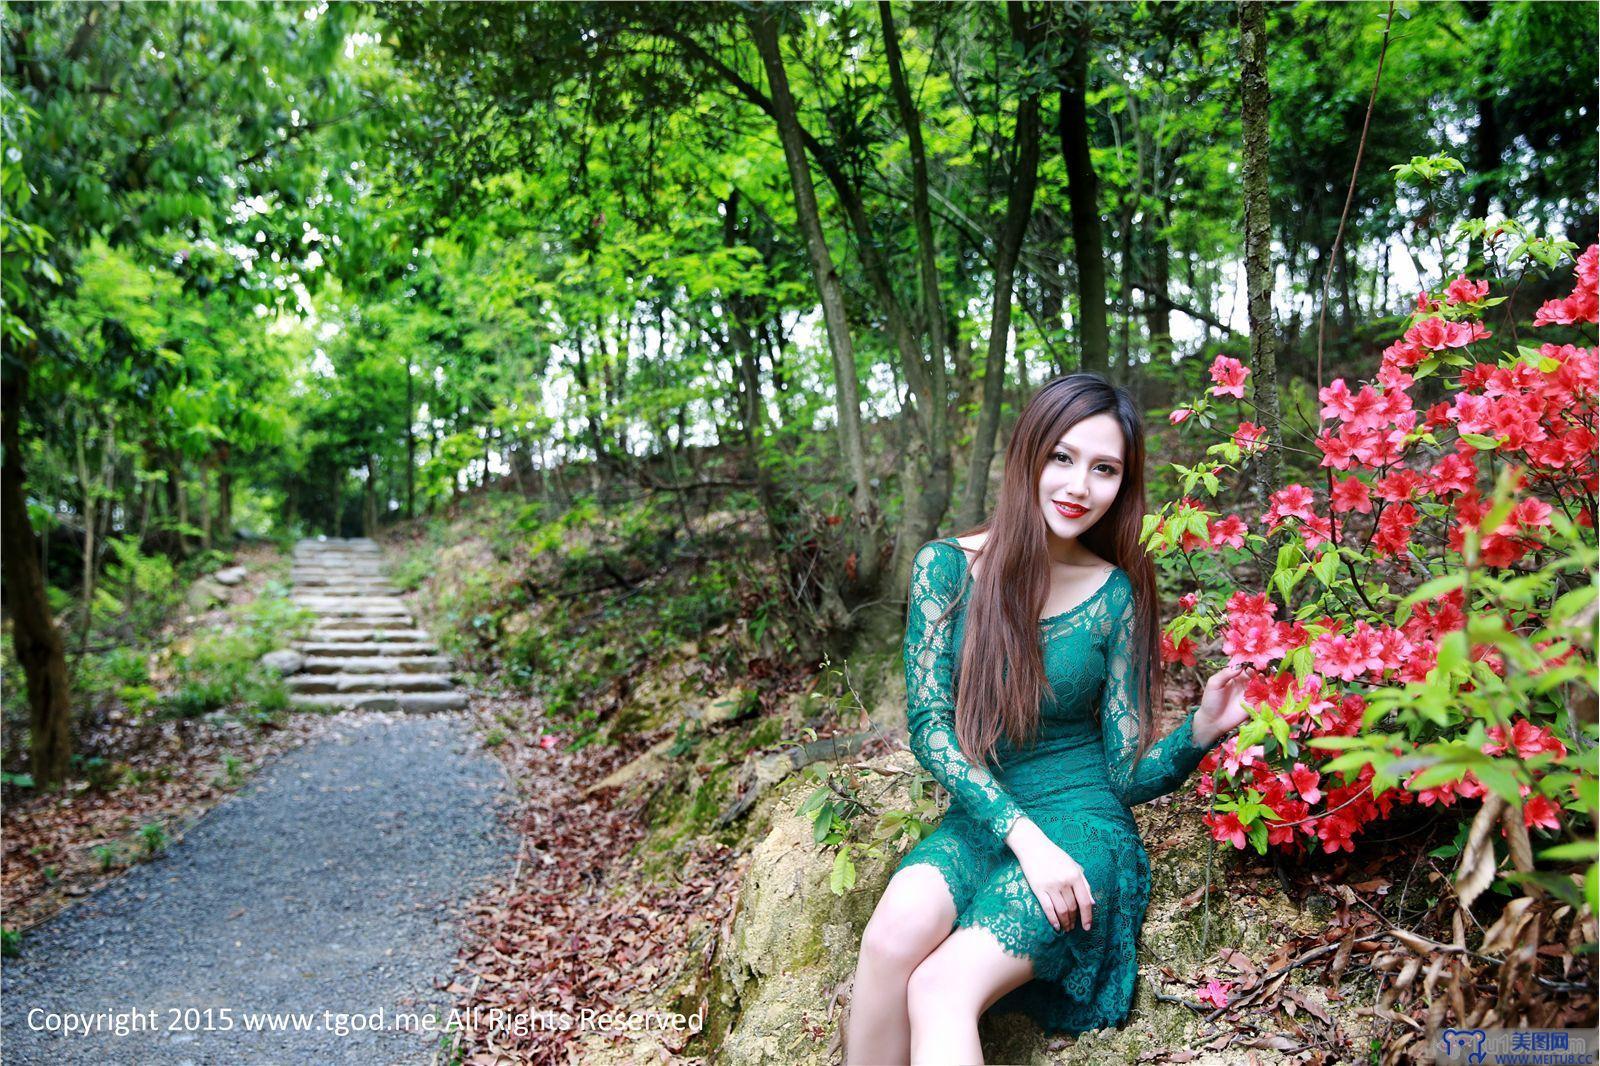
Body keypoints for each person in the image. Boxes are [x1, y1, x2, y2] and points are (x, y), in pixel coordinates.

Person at [844, 373, 1252, 1065]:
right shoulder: (945, 569)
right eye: (1062, 457)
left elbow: (1123, 773)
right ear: (1028, 454)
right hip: (987, 818)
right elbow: (930, 727)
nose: (1078, 485)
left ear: (1123, 485)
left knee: (941, 989)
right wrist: (1021, 835)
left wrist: (1202, 730)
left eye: (1104, 469)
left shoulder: (1115, 592)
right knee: (888, 942)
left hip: (1082, 825)